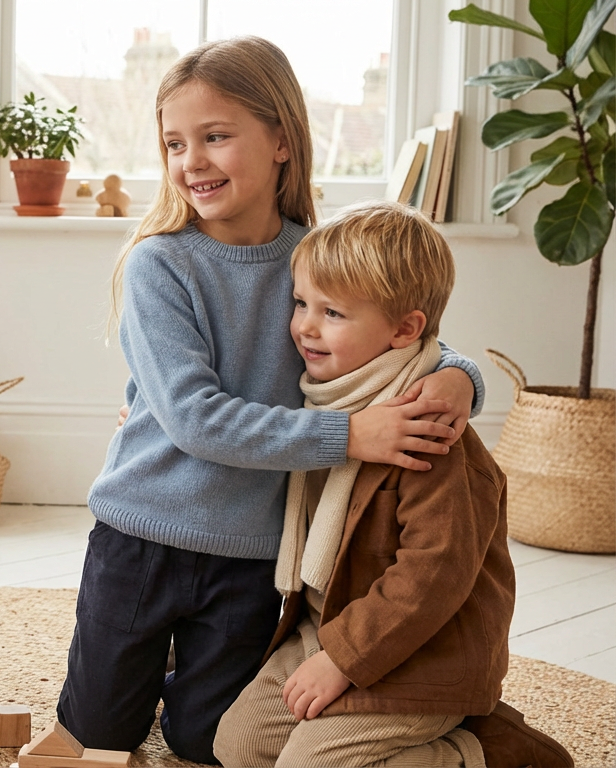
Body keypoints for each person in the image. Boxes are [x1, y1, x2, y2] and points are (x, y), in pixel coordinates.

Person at [56, 37, 488, 764]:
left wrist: (461, 376)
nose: (191, 159)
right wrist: (350, 436)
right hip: (142, 534)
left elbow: (403, 331)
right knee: (99, 732)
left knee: (205, 742)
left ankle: (184, 685)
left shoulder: (316, 256)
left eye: (215, 136)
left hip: (256, 555)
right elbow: (194, 418)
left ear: (282, 139)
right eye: (173, 143)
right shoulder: (160, 263)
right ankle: (152, 680)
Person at [212, 200, 572, 768]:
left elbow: (432, 578)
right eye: (302, 302)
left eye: (333, 313)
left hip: (425, 652)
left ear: (405, 330)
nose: (305, 325)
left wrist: (341, 662)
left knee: (312, 764)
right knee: (239, 746)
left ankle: (478, 753)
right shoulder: (325, 397)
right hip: (329, 626)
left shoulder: (429, 434)